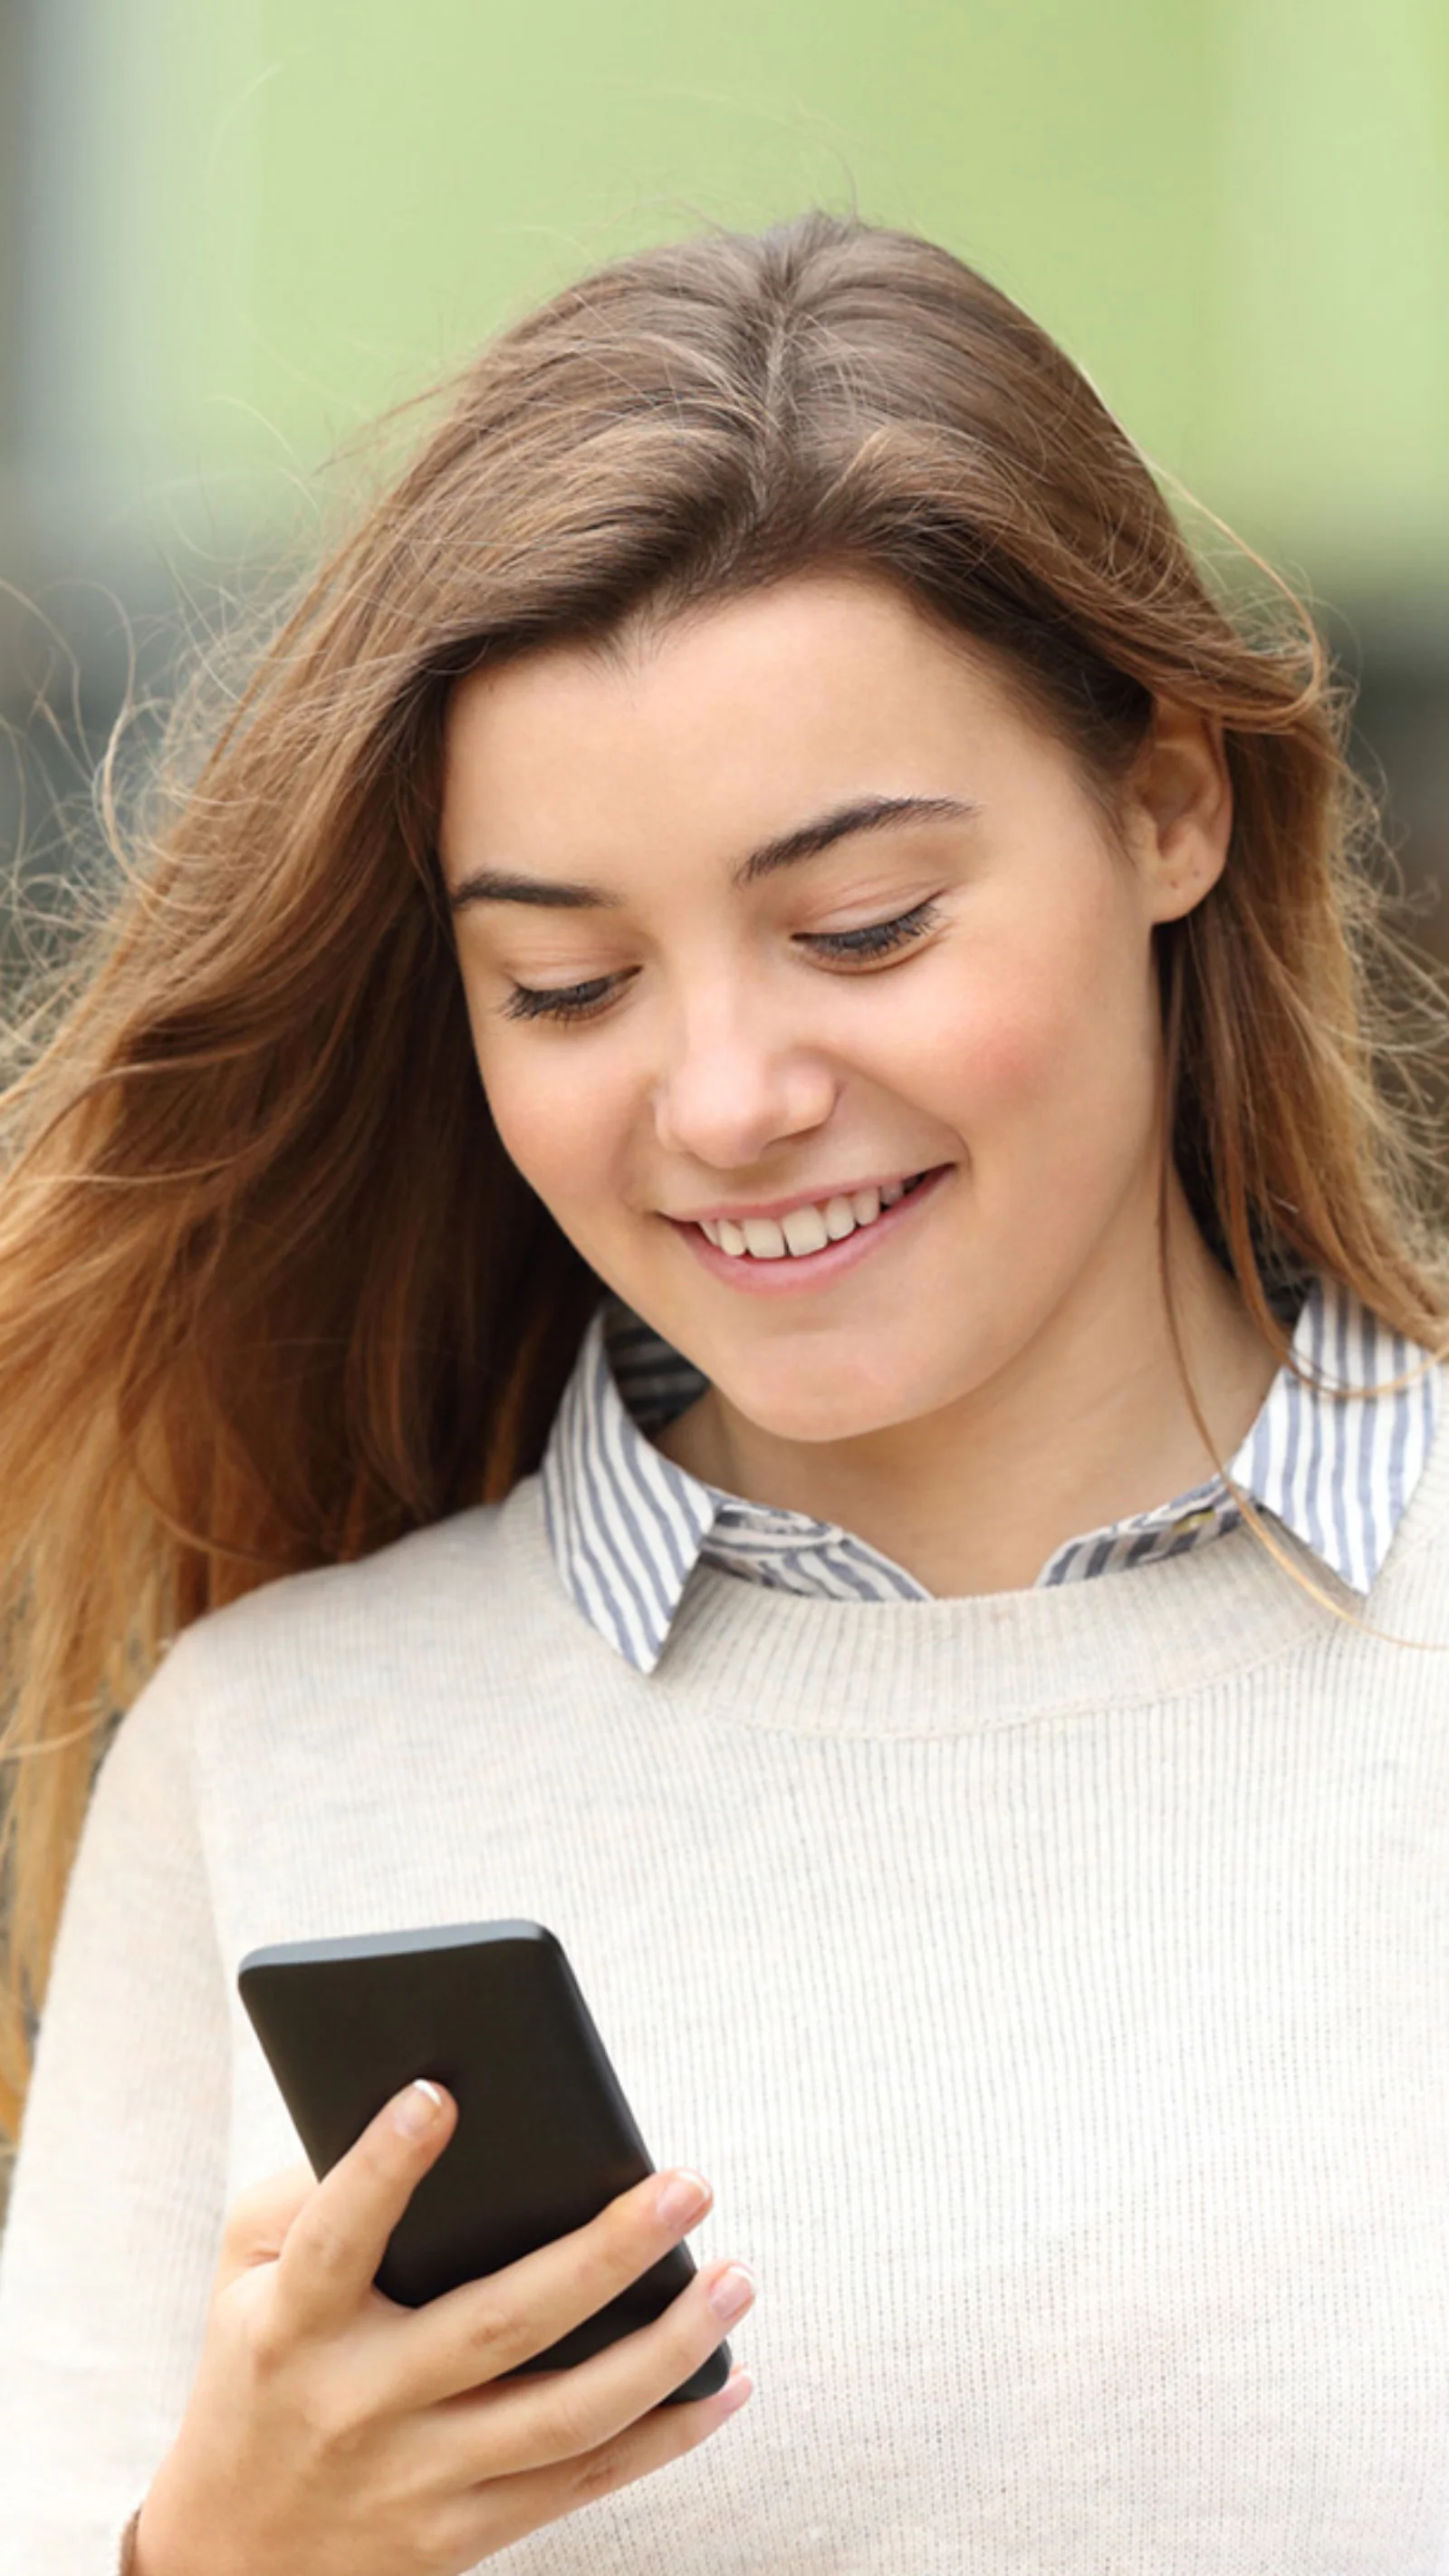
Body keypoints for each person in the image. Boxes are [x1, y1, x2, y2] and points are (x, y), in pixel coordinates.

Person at [0, 208, 1446, 2576]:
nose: (732, 1092)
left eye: (862, 924)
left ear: (1170, 802)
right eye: (567, 981)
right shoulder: (285, 1753)